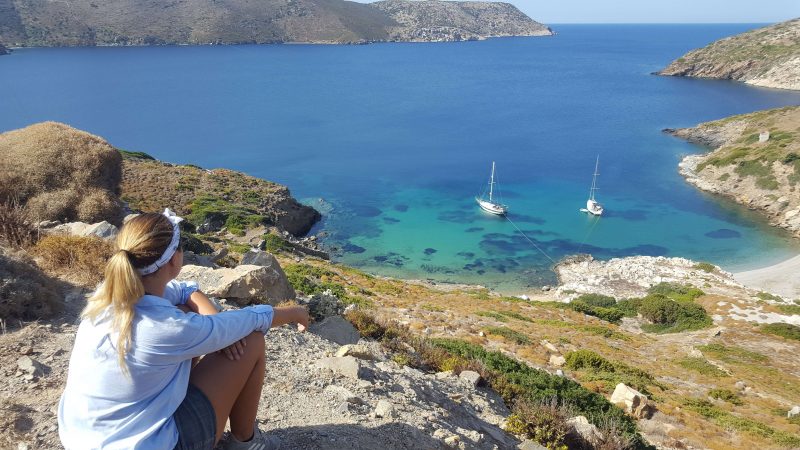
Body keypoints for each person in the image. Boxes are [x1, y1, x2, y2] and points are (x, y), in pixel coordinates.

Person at [58, 209, 309, 450]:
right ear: (174, 259)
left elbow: (184, 289)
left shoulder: (108, 295)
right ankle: (246, 441)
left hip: (86, 439)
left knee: (185, 307)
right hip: (154, 444)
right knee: (252, 340)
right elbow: (251, 320)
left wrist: (218, 331)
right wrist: (294, 312)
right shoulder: (167, 328)